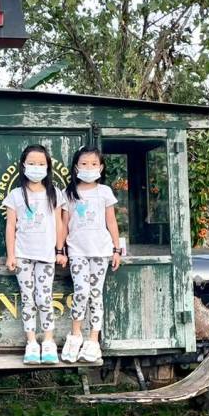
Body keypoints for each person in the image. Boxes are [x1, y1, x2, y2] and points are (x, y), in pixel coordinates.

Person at [2, 144, 68, 364]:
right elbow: (10, 226)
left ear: (47, 167)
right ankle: (31, 343)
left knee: (44, 298)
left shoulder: (54, 193)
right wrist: (11, 255)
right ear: (23, 165)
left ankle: (48, 341)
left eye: (41, 163)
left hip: (46, 256)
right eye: (32, 163)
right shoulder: (15, 195)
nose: (36, 167)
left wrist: (60, 250)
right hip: (23, 255)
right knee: (27, 298)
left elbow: (59, 223)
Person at [61, 145, 121, 363]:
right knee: (81, 291)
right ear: (76, 167)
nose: (89, 168)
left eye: (94, 164)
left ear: (101, 167)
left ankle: (93, 341)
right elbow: (64, 224)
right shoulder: (68, 193)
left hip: (101, 251)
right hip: (77, 251)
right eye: (84, 164)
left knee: (95, 294)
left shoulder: (104, 192)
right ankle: (75, 335)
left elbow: (111, 222)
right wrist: (61, 249)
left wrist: (116, 249)